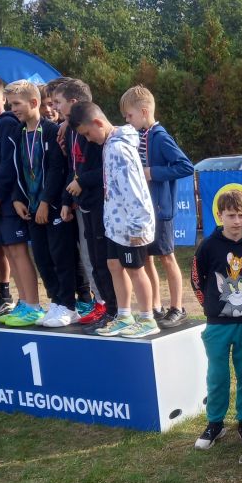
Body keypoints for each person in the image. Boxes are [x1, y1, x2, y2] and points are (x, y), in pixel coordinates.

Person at [69, 101, 157, 337]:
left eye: (87, 133)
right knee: (114, 265)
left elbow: (134, 188)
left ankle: (148, 318)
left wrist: (137, 225)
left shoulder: (119, 148)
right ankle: (124, 316)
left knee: (135, 269)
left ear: (98, 122)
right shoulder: (108, 144)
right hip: (115, 224)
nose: (87, 139)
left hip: (131, 224)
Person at [191, 189, 242, 450]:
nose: (237, 221)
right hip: (217, 325)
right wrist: (209, 306)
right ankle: (215, 422)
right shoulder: (208, 246)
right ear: (219, 215)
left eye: (241, 215)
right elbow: (196, 278)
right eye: (231, 215)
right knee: (218, 374)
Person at [5, 80, 81, 327]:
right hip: (30, 207)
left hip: (53, 206)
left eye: (16, 104)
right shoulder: (17, 133)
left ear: (34, 102)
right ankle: (56, 302)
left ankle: (69, 306)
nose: (13, 109)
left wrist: (47, 202)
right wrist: (17, 198)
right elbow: (17, 169)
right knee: (42, 259)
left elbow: (57, 169)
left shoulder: (50, 130)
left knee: (61, 257)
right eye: (10, 104)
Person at [119, 85, 195, 328]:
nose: (127, 121)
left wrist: (153, 172)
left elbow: (186, 166)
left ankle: (177, 307)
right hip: (144, 210)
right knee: (147, 259)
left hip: (161, 210)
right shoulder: (139, 135)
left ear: (143, 112)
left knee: (167, 257)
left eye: (129, 115)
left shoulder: (160, 137)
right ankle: (155, 306)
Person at [0, 74, 44, 326]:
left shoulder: (8, 123)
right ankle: (24, 303)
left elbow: (8, 166)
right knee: (9, 252)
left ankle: (33, 305)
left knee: (19, 252)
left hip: (9, 200)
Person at [54, 78, 108, 330]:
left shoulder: (94, 132)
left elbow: (101, 170)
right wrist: (67, 199)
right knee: (89, 258)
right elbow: (72, 168)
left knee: (101, 259)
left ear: (73, 102)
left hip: (98, 203)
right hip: (81, 203)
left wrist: (82, 183)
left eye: (58, 102)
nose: (55, 108)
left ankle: (108, 305)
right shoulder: (71, 130)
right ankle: (101, 302)